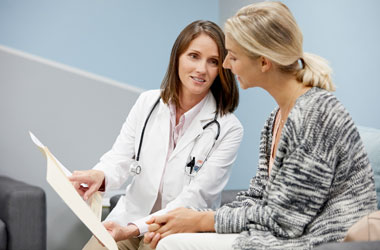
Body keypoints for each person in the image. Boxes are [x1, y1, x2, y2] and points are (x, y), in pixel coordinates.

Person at [143, 2, 378, 250]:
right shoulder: (274, 120)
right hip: (284, 232)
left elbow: (287, 220)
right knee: (170, 239)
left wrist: (202, 220)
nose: (225, 66)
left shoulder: (316, 114)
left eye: (233, 56)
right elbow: (258, 197)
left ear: (264, 62)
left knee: (173, 245)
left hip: (316, 240)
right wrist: (188, 219)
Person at [68, 20, 243, 250]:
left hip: (175, 230)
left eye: (213, 61)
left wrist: (134, 228)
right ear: (177, 57)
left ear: (221, 69)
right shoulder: (148, 103)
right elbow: (120, 157)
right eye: (193, 56)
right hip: (129, 217)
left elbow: (195, 198)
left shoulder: (229, 128)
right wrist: (100, 175)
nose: (202, 69)